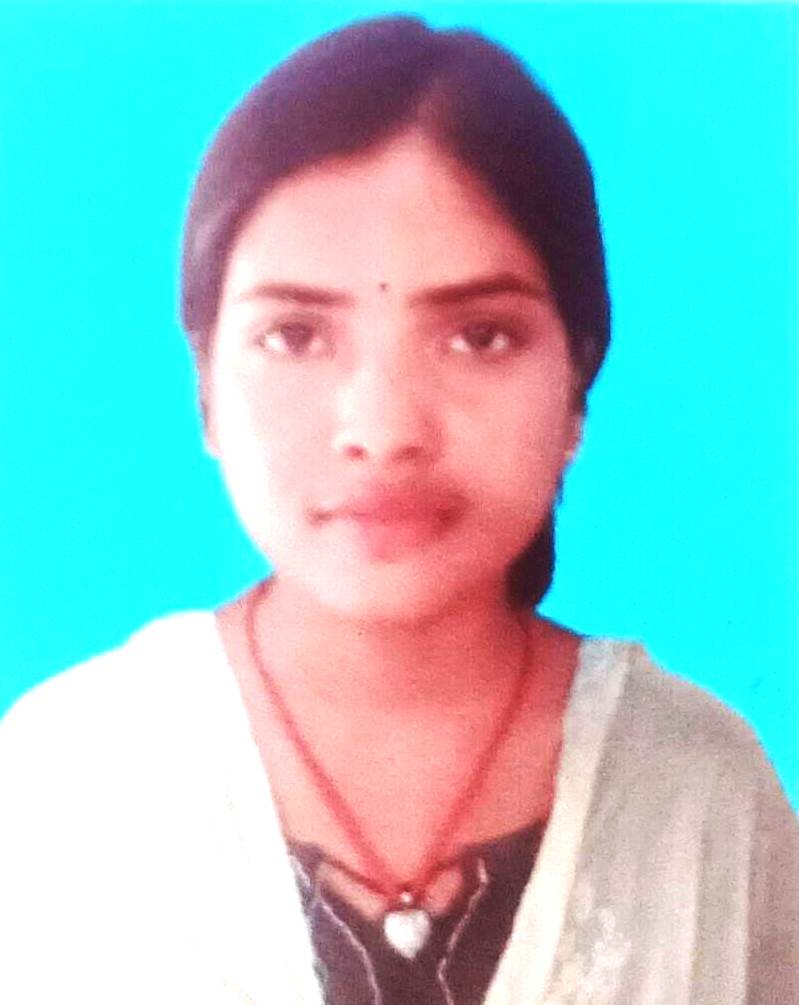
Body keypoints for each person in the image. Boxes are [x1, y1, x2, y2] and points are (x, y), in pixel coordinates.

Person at [0, 15, 796, 1005]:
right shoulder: (65, 775)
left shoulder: (700, 789)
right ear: (204, 386)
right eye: (295, 336)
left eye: (479, 336)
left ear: (576, 386)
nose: (382, 430)